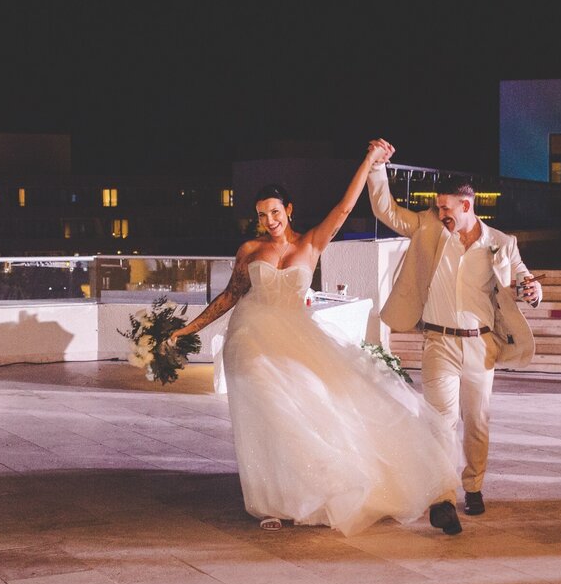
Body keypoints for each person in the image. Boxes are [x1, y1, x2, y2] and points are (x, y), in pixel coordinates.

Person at [168, 145, 465, 536]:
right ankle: (270, 503)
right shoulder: (250, 250)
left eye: (275, 212)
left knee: (311, 406)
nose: (269, 220)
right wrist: (185, 330)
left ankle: (312, 490)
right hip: (249, 338)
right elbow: (229, 295)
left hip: (295, 336)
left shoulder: (310, 243)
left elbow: (343, 209)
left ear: (288, 210)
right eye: (261, 214)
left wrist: (366, 162)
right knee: (265, 410)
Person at [366, 138, 541, 517]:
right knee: (440, 421)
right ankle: (442, 495)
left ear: (466, 205)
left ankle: (473, 485)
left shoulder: (500, 243)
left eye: (445, 206)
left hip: (481, 346)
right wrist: (376, 167)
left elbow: (522, 278)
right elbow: (386, 210)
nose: (438, 210)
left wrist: (532, 289)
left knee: (476, 422)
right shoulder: (429, 228)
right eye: (436, 205)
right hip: (438, 343)